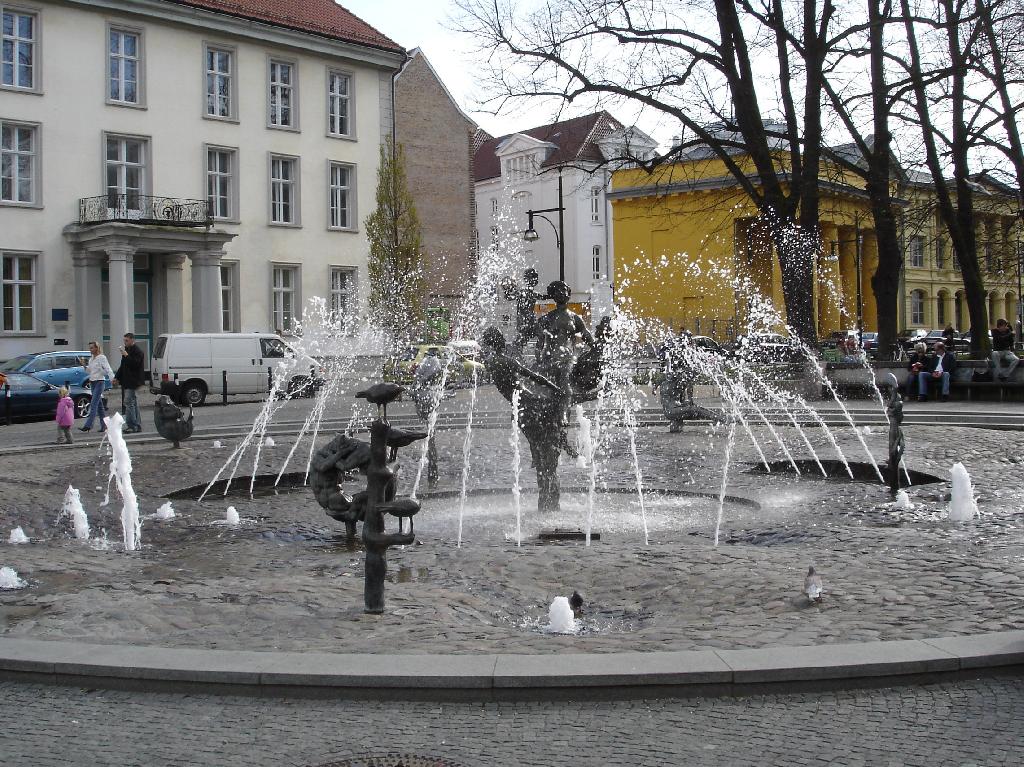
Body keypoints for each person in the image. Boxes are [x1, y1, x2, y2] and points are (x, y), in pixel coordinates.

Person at [536, 280, 595, 426]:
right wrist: (538, 359)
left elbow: (587, 337)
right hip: (549, 358)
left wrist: (598, 347)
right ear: (553, 296)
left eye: (564, 290)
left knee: (565, 377)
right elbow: (539, 344)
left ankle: (563, 414)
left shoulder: (575, 318)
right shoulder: (546, 318)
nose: (561, 293)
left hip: (568, 358)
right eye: (557, 290)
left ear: (568, 294)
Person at [113, 332, 145, 433]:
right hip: (126, 380)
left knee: (128, 402)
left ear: (132, 340)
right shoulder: (126, 350)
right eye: (124, 341)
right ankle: (137, 425)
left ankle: (132, 425)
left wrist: (126, 355)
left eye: (126, 340)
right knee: (133, 403)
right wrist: (116, 377)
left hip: (133, 381)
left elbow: (135, 364)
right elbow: (122, 366)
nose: (125, 342)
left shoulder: (138, 351)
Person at [80, 340, 114, 432]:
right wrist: (84, 365)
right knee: (99, 406)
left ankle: (88, 425)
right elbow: (89, 371)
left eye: (92, 347)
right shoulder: (91, 359)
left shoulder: (102, 357)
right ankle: (105, 425)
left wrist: (112, 379)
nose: (90, 349)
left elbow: (108, 369)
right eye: (90, 348)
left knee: (94, 404)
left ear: (96, 348)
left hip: (99, 382)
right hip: (92, 382)